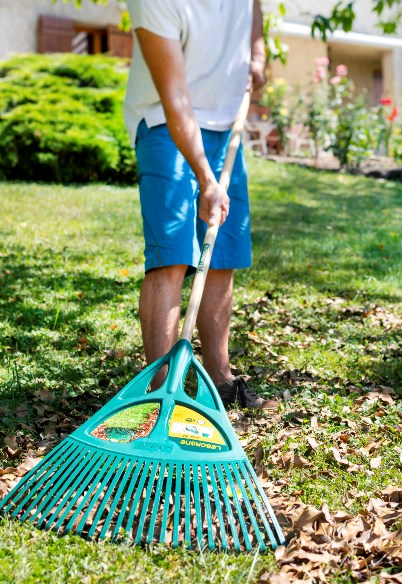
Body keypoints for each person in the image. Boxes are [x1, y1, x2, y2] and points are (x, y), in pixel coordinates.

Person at [124, 0, 276, 410]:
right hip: (163, 122)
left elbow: (255, 10)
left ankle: (220, 382)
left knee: (221, 255)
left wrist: (258, 55)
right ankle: (158, 394)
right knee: (171, 257)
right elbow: (175, 101)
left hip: (226, 125)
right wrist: (207, 181)